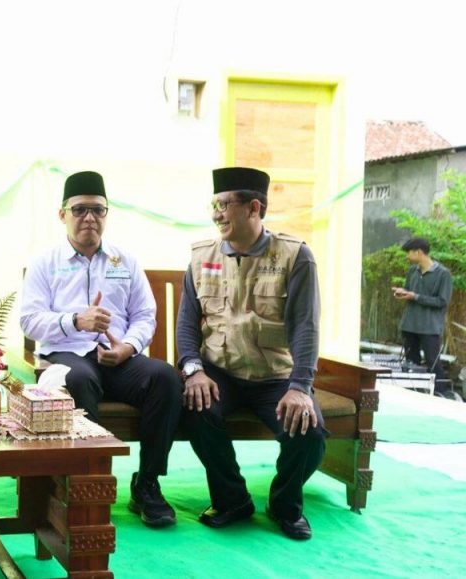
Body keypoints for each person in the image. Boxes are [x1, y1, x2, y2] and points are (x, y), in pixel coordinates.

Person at [20, 171, 182, 527]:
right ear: (62, 214)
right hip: (66, 354)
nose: (89, 217)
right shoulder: (46, 263)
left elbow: (145, 315)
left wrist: (129, 346)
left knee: (166, 378)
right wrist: (76, 321)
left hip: (118, 358)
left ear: (106, 214)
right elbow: (30, 321)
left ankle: (148, 484)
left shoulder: (124, 261)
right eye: (80, 210)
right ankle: (87, 484)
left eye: (97, 209)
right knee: (79, 379)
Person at [177, 167, 325, 540]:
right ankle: (232, 500)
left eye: (224, 205)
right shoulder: (201, 257)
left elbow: (306, 326)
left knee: (310, 433)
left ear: (253, 208)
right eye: (213, 205)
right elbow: (187, 324)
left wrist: (300, 387)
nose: (216, 214)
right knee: (196, 409)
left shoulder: (295, 256)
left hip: (275, 376)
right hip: (219, 372)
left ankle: (284, 504)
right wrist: (194, 370)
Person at [393, 237, 453, 372]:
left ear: (418, 252)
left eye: (409, 252)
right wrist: (402, 292)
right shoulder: (412, 271)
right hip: (409, 326)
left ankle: (439, 386)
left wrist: (416, 297)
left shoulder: (443, 274)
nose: (407, 256)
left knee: (433, 364)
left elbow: (442, 301)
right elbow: (409, 291)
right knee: (410, 365)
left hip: (430, 328)